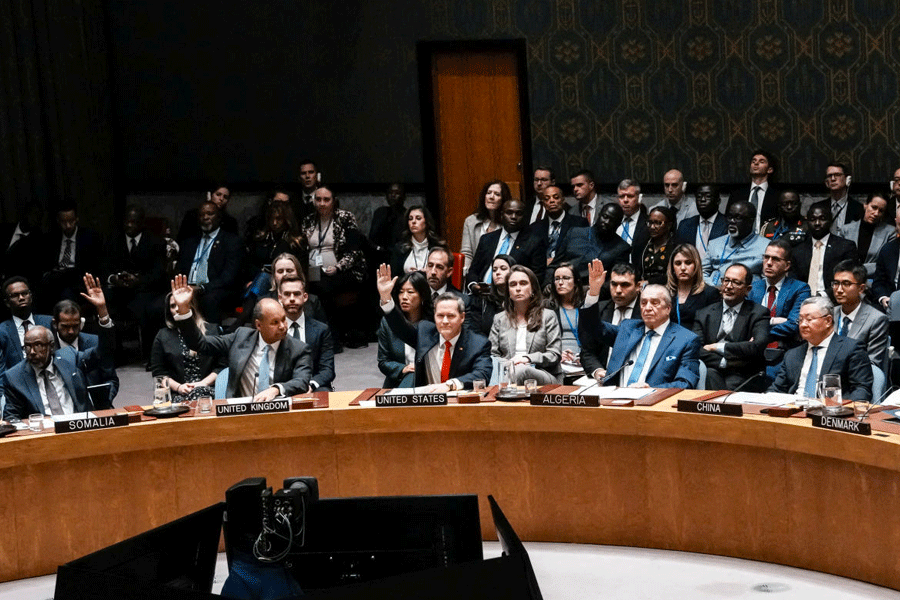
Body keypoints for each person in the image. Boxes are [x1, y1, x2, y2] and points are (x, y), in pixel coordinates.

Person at [169, 274, 312, 400]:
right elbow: (200, 344)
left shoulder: (298, 349)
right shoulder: (240, 337)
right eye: (275, 322)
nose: (282, 326)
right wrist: (183, 310)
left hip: (279, 412)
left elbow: (302, 381)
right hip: (241, 411)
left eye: (283, 319)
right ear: (259, 325)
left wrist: (275, 390)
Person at [3, 274, 114, 421]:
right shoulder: (14, 377)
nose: (32, 352)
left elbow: (103, 350)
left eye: (38, 345)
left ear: (51, 346)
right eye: (27, 347)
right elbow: (11, 417)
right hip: (44, 435)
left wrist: (102, 310)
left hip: (79, 426)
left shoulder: (70, 357)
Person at [581, 260, 700, 388]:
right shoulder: (628, 329)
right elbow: (592, 327)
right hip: (614, 400)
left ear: (668, 309)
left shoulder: (686, 340)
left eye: (654, 303)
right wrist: (594, 291)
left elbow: (685, 383)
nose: (647, 308)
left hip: (654, 403)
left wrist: (650, 390)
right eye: (643, 303)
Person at [377, 264, 491, 391]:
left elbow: (482, 374)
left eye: (451, 316)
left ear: (462, 317)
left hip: (458, 403)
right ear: (434, 316)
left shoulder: (478, 343)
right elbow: (400, 328)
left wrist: (450, 385)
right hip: (426, 403)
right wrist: (386, 299)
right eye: (440, 316)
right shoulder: (425, 333)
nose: (445, 321)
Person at [301, 185, 368, 348]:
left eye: (326, 199)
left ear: (334, 201)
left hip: (346, 271)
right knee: (313, 286)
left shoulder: (345, 218)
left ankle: (332, 338)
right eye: (318, 199)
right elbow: (306, 249)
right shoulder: (308, 220)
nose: (322, 203)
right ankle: (324, 336)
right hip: (316, 270)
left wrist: (338, 267)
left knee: (323, 288)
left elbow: (354, 251)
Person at [769, 296, 872, 401]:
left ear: (828, 321)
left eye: (809, 319)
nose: (803, 324)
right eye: (800, 320)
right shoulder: (792, 354)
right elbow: (777, 389)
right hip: (794, 410)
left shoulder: (851, 349)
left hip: (829, 411)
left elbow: (861, 390)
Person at [692, 264, 770, 391]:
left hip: (744, 375)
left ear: (748, 289)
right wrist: (726, 362)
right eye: (726, 280)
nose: (728, 286)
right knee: (708, 375)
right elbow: (695, 348)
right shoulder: (704, 313)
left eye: (736, 283)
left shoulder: (759, 313)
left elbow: (757, 347)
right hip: (712, 369)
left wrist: (716, 347)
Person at [105, 204, 168, 357]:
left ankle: (150, 355)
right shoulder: (113, 240)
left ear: (141, 223)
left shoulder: (155, 242)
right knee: (105, 302)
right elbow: (104, 267)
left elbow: (158, 273)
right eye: (127, 221)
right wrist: (114, 278)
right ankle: (115, 354)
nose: (129, 225)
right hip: (119, 289)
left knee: (146, 307)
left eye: (133, 222)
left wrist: (138, 280)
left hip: (145, 289)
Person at [748, 238, 811, 380]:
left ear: (787, 265)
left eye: (775, 259)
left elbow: (794, 325)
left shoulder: (800, 288)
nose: (769, 263)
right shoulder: (753, 288)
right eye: (766, 257)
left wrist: (761, 334)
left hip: (783, 353)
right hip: (753, 353)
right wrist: (774, 321)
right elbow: (745, 322)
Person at [489, 266, 561, 385]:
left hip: (543, 373)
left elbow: (554, 354)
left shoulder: (548, 316)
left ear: (533, 288)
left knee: (522, 370)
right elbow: (492, 355)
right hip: (508, 371)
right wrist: (510, 364)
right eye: (513, 284)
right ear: (508, 292)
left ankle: (495, 394)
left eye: (523, 283)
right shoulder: (499, 319)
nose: (518, 288)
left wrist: (527, 359)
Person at [175, 201, 245, 324]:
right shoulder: (189, 242)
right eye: (202, 215)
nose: (205, 217)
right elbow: (179, 269)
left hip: (215, 289)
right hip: (188, 287)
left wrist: (201, 288)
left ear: (219, 217)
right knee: (158, 305)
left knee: (209, 300)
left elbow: (229, 277)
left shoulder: (231, 241)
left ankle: (210, 341)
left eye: (210, 214)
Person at [150, 292, 225, 402]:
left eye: (180, 305)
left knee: (199, 395)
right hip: (177, 392)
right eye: (172, 306)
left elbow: (222, 366)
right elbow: (159, 373)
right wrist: (179, 387)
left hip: (209, 388)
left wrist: (202, 384)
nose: (176, 309)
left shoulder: (212, 330)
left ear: (192, 306)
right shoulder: (162, 336)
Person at [579, 263, 642, 380]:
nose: (618, 290)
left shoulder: (647, 313)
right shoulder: (599, 310)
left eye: (625, 285)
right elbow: (587, 351)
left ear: (638, 286)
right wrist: (597, 371)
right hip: (603, 382)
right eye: (614, 284)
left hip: (637, 380)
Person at [52, 299, 119, 407]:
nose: (71, 331)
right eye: (65, 326)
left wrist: (103, 401)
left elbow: (111, 379)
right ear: (55, 324)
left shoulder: (94, 342)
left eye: (75, 326)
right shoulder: (49, 348)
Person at [466, 198, 547, 285]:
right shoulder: (487, 239)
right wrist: (473, 285)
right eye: (509, 213)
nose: (513, 217)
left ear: (525, 217)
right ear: (502, 215)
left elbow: (536, 277)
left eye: (518, 213)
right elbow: (474, 270)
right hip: (481, 292)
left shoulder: (534, 242)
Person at [40, 204, 104, 312]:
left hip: (78, 279)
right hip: (56, 278)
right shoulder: (51, 238)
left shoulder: (90, 237)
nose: (68, 225)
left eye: (71, 221)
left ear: (77, 219)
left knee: (66, 292)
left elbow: (95, 266)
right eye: (64, 222)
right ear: (58, 221)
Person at [547, 201, 629, 284]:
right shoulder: (574, 232)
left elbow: (614, 281)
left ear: (618, 224)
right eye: (605, 216)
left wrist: (590, 291)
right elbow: (554, 265)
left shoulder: (621, 248)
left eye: (612, 220)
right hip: (560, 286)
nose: (607, 222)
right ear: (599, 215)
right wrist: (548, 284)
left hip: (591, 291)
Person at [278, 275, 335, 392]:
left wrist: (311, 385)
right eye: (287, 294)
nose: (292, 298)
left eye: (297, 294)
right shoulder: (273, 329)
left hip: (312, 384)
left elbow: (327, 370)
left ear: (305, 297)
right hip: (281, 386)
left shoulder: (321, 330)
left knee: (324, 393)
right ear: (280, 298)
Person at [377, 271, 433, 388]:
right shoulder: (388, 322)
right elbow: (383, 361)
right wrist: (403, 368)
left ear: (422, 295)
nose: (404, 297)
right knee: (411, 374)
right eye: (401, 292)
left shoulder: (433, 322)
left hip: (428, 380)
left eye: (410, 292)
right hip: (399, 380)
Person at [790, 202, 858, 297]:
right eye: (813, 219)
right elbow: (793, 281)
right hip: (802, 299)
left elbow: (849, 278)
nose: (817, 223)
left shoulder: (845, 247)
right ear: (807, 222)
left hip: (834, 299)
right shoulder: (798, 250)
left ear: (830, 221)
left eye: (822, 219)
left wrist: (823, 295)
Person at [831, 260, 888, 368]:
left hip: (857, 379)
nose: (838, 290)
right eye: (836, 283)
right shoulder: (829, 314)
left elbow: (873, 363)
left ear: (861, 288)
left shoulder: (876, 319)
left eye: (846, 284)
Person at [244, 201, 306, 300]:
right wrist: (252, 279)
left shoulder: (295, 242)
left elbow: (301, 269)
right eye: (271, 219)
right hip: (259, 280)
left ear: (286, 219)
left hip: (286, 281)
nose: (274, 223)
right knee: (259, 282)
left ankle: (246, 313)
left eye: (278, 219)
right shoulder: (261, 238)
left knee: (263, 280)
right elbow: (251, 262)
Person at [703, 200, 770, 285]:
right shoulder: (715, 244)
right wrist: (713, 289)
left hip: (747, 295)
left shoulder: (766, 247)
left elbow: (767, 280)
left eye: (737, 218)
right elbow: (702, 272)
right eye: (729, 217)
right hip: (715, 294)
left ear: (750, 221)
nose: (732, 221)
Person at [0, 276, 52, 371]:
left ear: (31, 297)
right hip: (17, 382)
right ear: (7, 303)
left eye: (25, 293)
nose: (21, 298)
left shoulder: (49, 322)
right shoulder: (2, 331)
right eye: (15, 295)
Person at [839, 191, 895, 277]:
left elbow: (886, 262)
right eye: (874, 207)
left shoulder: (890, 232)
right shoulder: (846, 230)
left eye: (881, 211)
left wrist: (857, 269)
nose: (876, 213)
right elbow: (839, 258)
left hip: (873, 280)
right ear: (865, 205)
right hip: (847, 278)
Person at [666, 243, 720, 330]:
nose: (683, 268)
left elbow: (712, 329)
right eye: (678, 263)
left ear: (696, 265)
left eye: (688, 263)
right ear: (672, 268)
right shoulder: (664, 293)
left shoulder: (710, 294)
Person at [529, 185, 588, 265]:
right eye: (547, 199)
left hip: (569, 268)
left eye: (556, 197)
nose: (551, 201)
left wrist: (555, 261)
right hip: (542, 271)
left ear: (563, 200)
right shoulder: (535, 227)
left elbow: (581, 252)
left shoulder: (579, 223)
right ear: (543, 204)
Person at [460, 180, 509, 275]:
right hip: (475, 272)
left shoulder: (508, 223)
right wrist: (468, 275)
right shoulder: (471, 221)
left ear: (503, 199)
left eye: (497, 194)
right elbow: (467, 253)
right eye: (488, 193)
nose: (491, 197)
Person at [545, 263, 585, 367]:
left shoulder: (586, 306)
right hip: (557, 360)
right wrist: (558, 355)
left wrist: (583, 357)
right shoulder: (548, 307)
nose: (560, 282)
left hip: (583, 360)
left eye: (566, 278)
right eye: (557, 279)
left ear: (576, 282)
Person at [728, 149, 780, 231]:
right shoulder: (737, 194)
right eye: (753, 161)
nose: (756, 163)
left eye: (761, 161)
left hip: (767, 239)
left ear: (770, 170)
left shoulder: (777, 195)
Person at [675, 184, 727, 261]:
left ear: (718, 201)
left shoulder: (728, 224)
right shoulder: (684, 225)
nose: (702, 200)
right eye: (699, 197)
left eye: (708, 196)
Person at [469, 254, 516, 336]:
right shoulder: (483, 299)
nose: (497, 272)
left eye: (503, 269)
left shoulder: (518, 299)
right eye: (494, 270)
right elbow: (475, 331)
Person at [390, 205, 444, 274]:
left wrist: (428, 273)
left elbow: (444, 276)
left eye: (418, 218)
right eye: (410, 218)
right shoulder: (400, 248)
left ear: (427, 222)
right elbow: (394, 278)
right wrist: (408, 276)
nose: (413, 221)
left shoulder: (438, 247)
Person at [633, 205, 679, 285]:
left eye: (658, 223)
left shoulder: (676, 247)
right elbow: (637, 270)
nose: (652, 227)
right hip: (643, 289)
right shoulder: (643, 245)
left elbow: (675, 274)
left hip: (668, 289)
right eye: (650, 223)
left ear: (669, 225)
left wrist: (649, 282)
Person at [369, 182, 408, 259]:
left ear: (403, 196)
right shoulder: (380, 213)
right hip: (379, 256)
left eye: (397, 193)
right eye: (390, 193)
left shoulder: (407, 215)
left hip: (400, 256)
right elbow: (372, 239)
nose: (393, 196)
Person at [822, 162, 862, 234]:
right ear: (826, 183)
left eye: (837, 175)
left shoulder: (858, 208)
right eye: (830, 176)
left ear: (847, 180)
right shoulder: (819, 207)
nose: (833, 179)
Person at [615, 179, 649, 249]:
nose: (625, 200)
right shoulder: (612, 221)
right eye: (621, 196)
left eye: (630, 196)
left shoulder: (648, 223)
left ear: (639, 198)